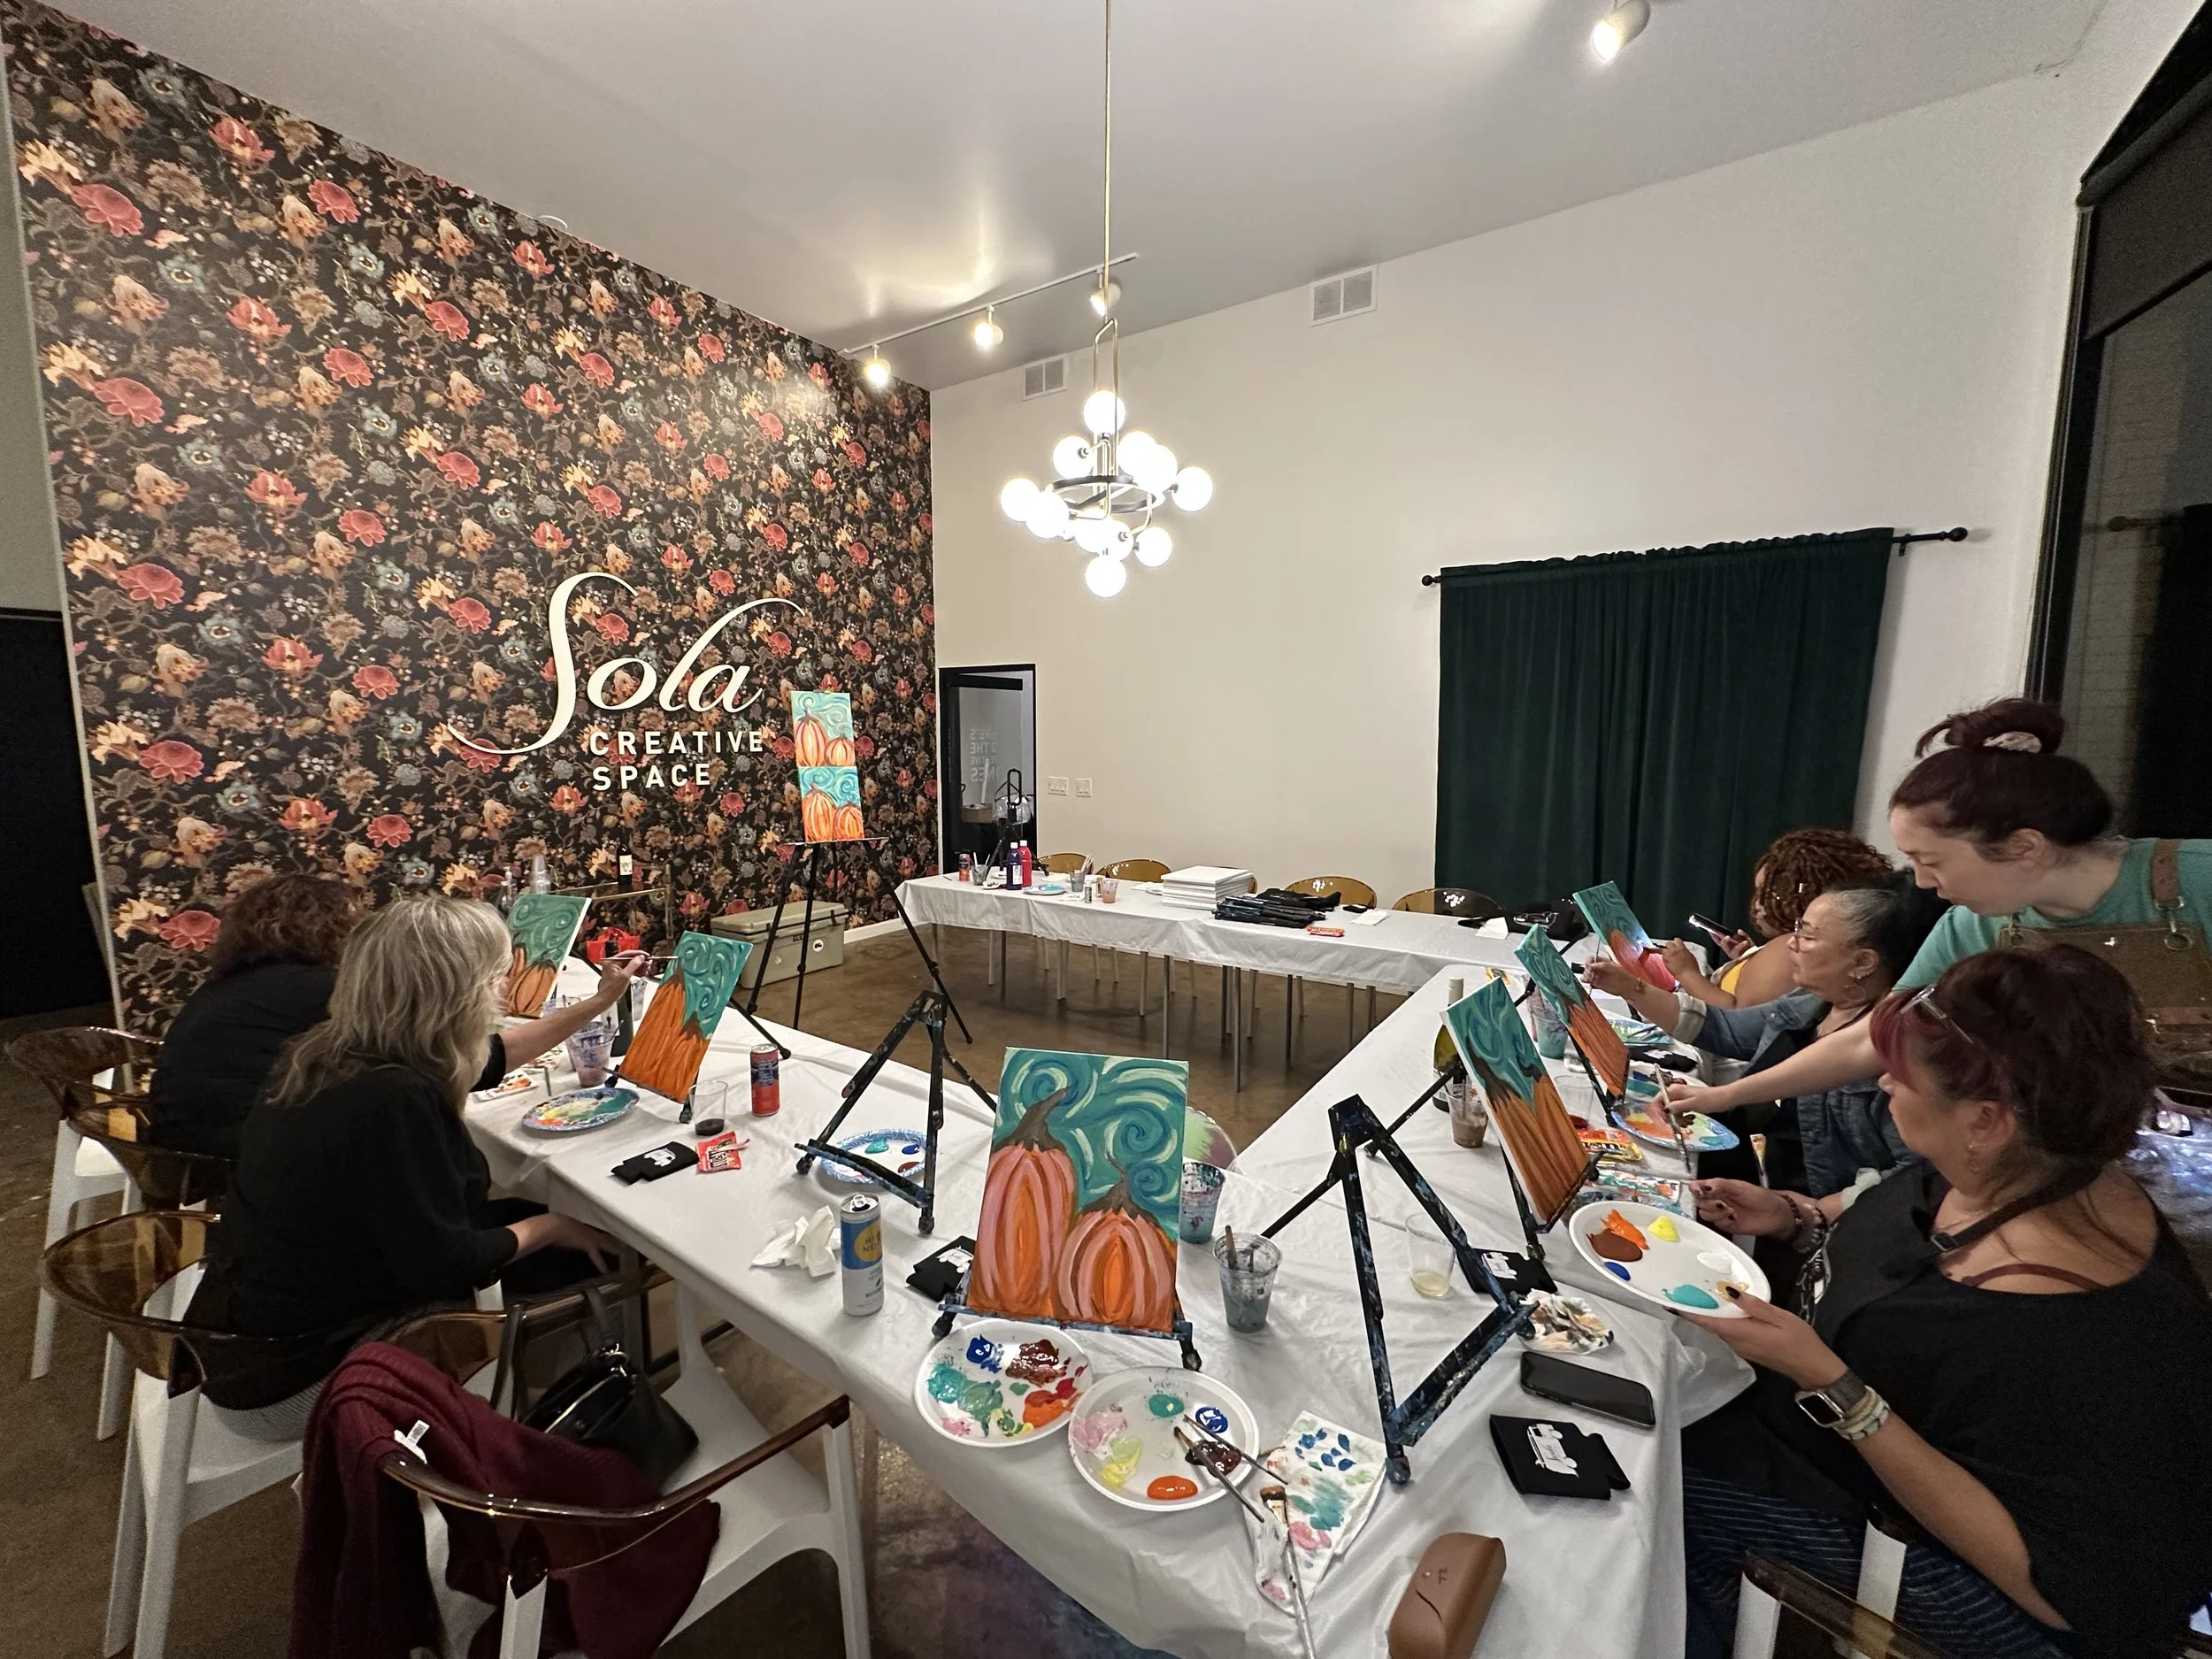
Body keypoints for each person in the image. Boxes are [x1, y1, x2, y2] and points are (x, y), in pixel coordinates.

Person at [1677, 947, 2212, 1659]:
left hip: (1962, 1577)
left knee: (1645, 1493)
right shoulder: (2010, 1166)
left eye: (1902, 1073)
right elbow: (1885, 1234)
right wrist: (1792, 1214)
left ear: (1987, 1119)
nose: (1885, 1079)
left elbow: (2054, 1587)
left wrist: (1835, 1385)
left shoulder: (2061, 1325)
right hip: (1808, 1436)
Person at [188, 897, 638, 1436]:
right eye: (496, 976)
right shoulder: (392, 1098)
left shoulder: (331, 1050)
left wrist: (599, 1001)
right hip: (301, 1376)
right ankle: (556, 1426)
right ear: (457, 993)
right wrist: (555, 1225)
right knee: (585, 1249)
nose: (504, 991)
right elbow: (448, 1263)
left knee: (540, 1217)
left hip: (250, 1333)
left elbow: (495, 1056)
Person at [1665, 696, 2212, 1125]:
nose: (1924, 884)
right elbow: (1876, 1035)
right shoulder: (1979, 922)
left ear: (2024, 847)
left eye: (1931, 862)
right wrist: (1729, 1094)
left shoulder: (2197, 878)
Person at [147, 874, 634, 1160]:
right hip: (231, 1158)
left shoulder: (245, 983)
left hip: (203, 1143)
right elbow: (481, 1064)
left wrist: (594, 1003)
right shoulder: (322, 996)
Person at [1591, 874, 1942, 1194]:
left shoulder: (1893, 1056)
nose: (1792, 943)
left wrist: (1807, 1214)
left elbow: (1914, 1180)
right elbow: (1721, 1029)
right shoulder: (1813, 1001)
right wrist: (1631, 987)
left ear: (1863, 963)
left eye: (1807, 935)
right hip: (1766, 1185)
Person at [145, 875, 366, 1159]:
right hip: (226, 1149)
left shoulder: (230, 983)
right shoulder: (317, 987)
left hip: (178, 1140)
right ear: (329, 926)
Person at [1663, 828, 1894, 1011]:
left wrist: (1687, 973)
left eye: (1767, 895)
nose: (1757, 905)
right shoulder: (1788, 949)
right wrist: (1749, 959)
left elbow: (1733, 1016)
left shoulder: (1789, 950)